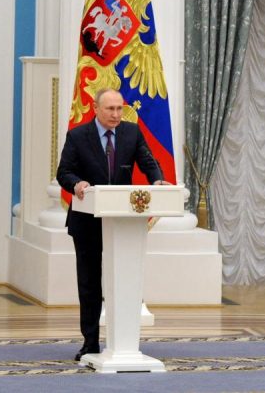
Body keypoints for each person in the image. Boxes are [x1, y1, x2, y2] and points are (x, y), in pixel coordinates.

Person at [56, 88, 164, 361]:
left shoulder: (132, 132)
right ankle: (90, 342)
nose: (116, 114)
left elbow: (148, 161)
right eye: (110, 109)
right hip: (87, 220)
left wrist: (157, 179)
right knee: (89, 283)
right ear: (96, 108)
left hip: (123, 222)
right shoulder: (78, 136)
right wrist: (76, 184)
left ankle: (123, 342)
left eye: (119, 108)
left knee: (124, 279)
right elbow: (64, 172)